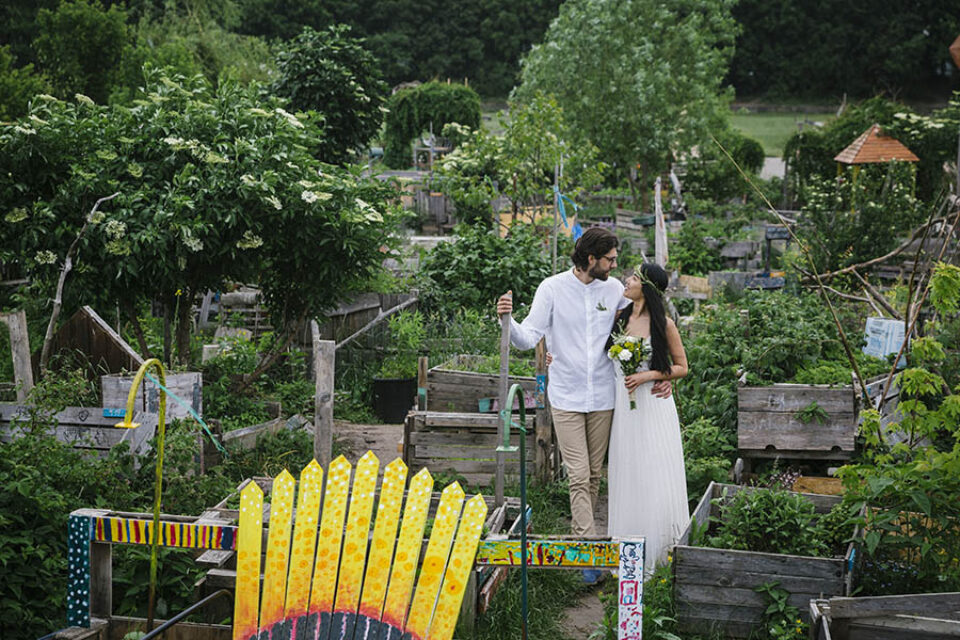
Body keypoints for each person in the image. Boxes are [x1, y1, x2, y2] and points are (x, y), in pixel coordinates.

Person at [496, 228, 670, 584]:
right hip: (566, 395)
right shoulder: (553, 288)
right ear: (591, 258)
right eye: (610, 259)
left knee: (592, 474)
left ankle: (587, 549)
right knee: (577, 474)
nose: (616, 266)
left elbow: (646, 324)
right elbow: (529, 336)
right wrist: (507, 320)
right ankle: (585, 559)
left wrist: (659, 372)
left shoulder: (614, 293)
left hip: (606, 396)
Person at [606, 262, 690, 577]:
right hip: (625, 413)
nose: (627, 280)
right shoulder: (620, 318)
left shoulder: (664, 324)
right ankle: (626, 552)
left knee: (653, 472)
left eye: (634, 277)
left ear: (648, 287)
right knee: (628, 472)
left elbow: (682, 366)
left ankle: (659, 552)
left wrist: (650, 376)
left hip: (653, 407)